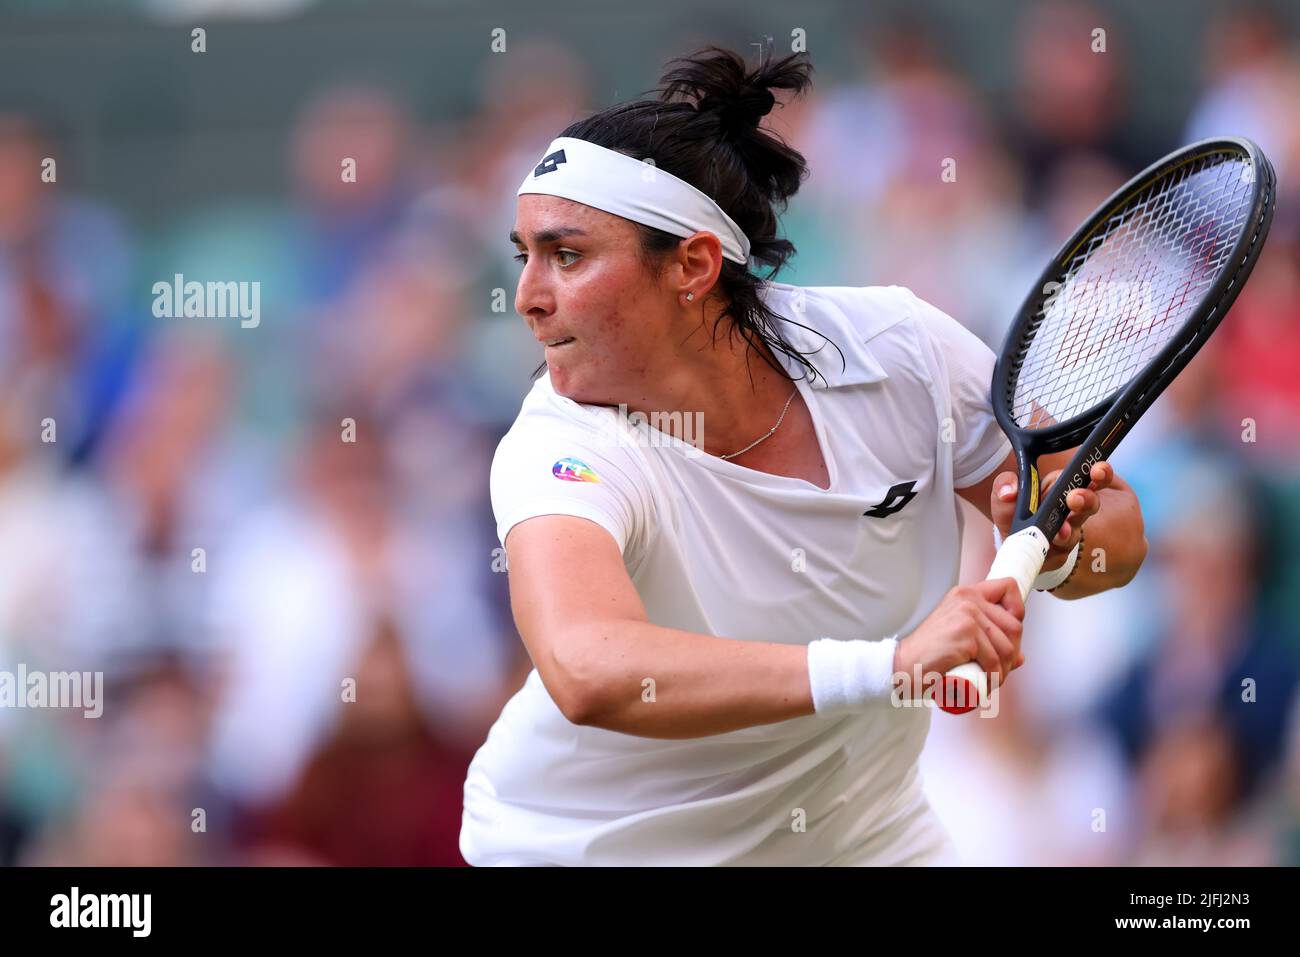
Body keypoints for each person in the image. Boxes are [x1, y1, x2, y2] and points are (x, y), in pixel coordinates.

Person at [460, 45, 1148, 866]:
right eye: (524, 256)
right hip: (590, 849)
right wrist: (891, 665)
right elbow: (588, 666)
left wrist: (1069, 549)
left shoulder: (902, 351)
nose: (529, 297)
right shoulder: (557, 443)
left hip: (863, 842)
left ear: (692, 264)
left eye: (567, 256)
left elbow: (1116, 534)